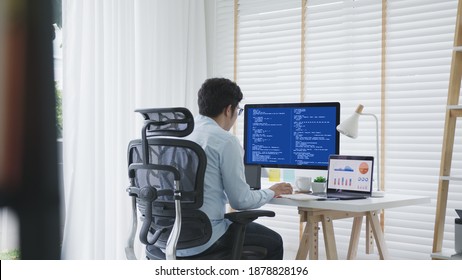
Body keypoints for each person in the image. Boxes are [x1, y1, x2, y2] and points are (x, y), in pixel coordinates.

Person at [180, 77, 293, 259]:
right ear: (228, 110)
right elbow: (241, 202)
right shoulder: (225, 140)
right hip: (205, 238)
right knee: (274, 242)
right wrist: (271, 191)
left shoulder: (181, 135)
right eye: (237, 111)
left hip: (166, 237)